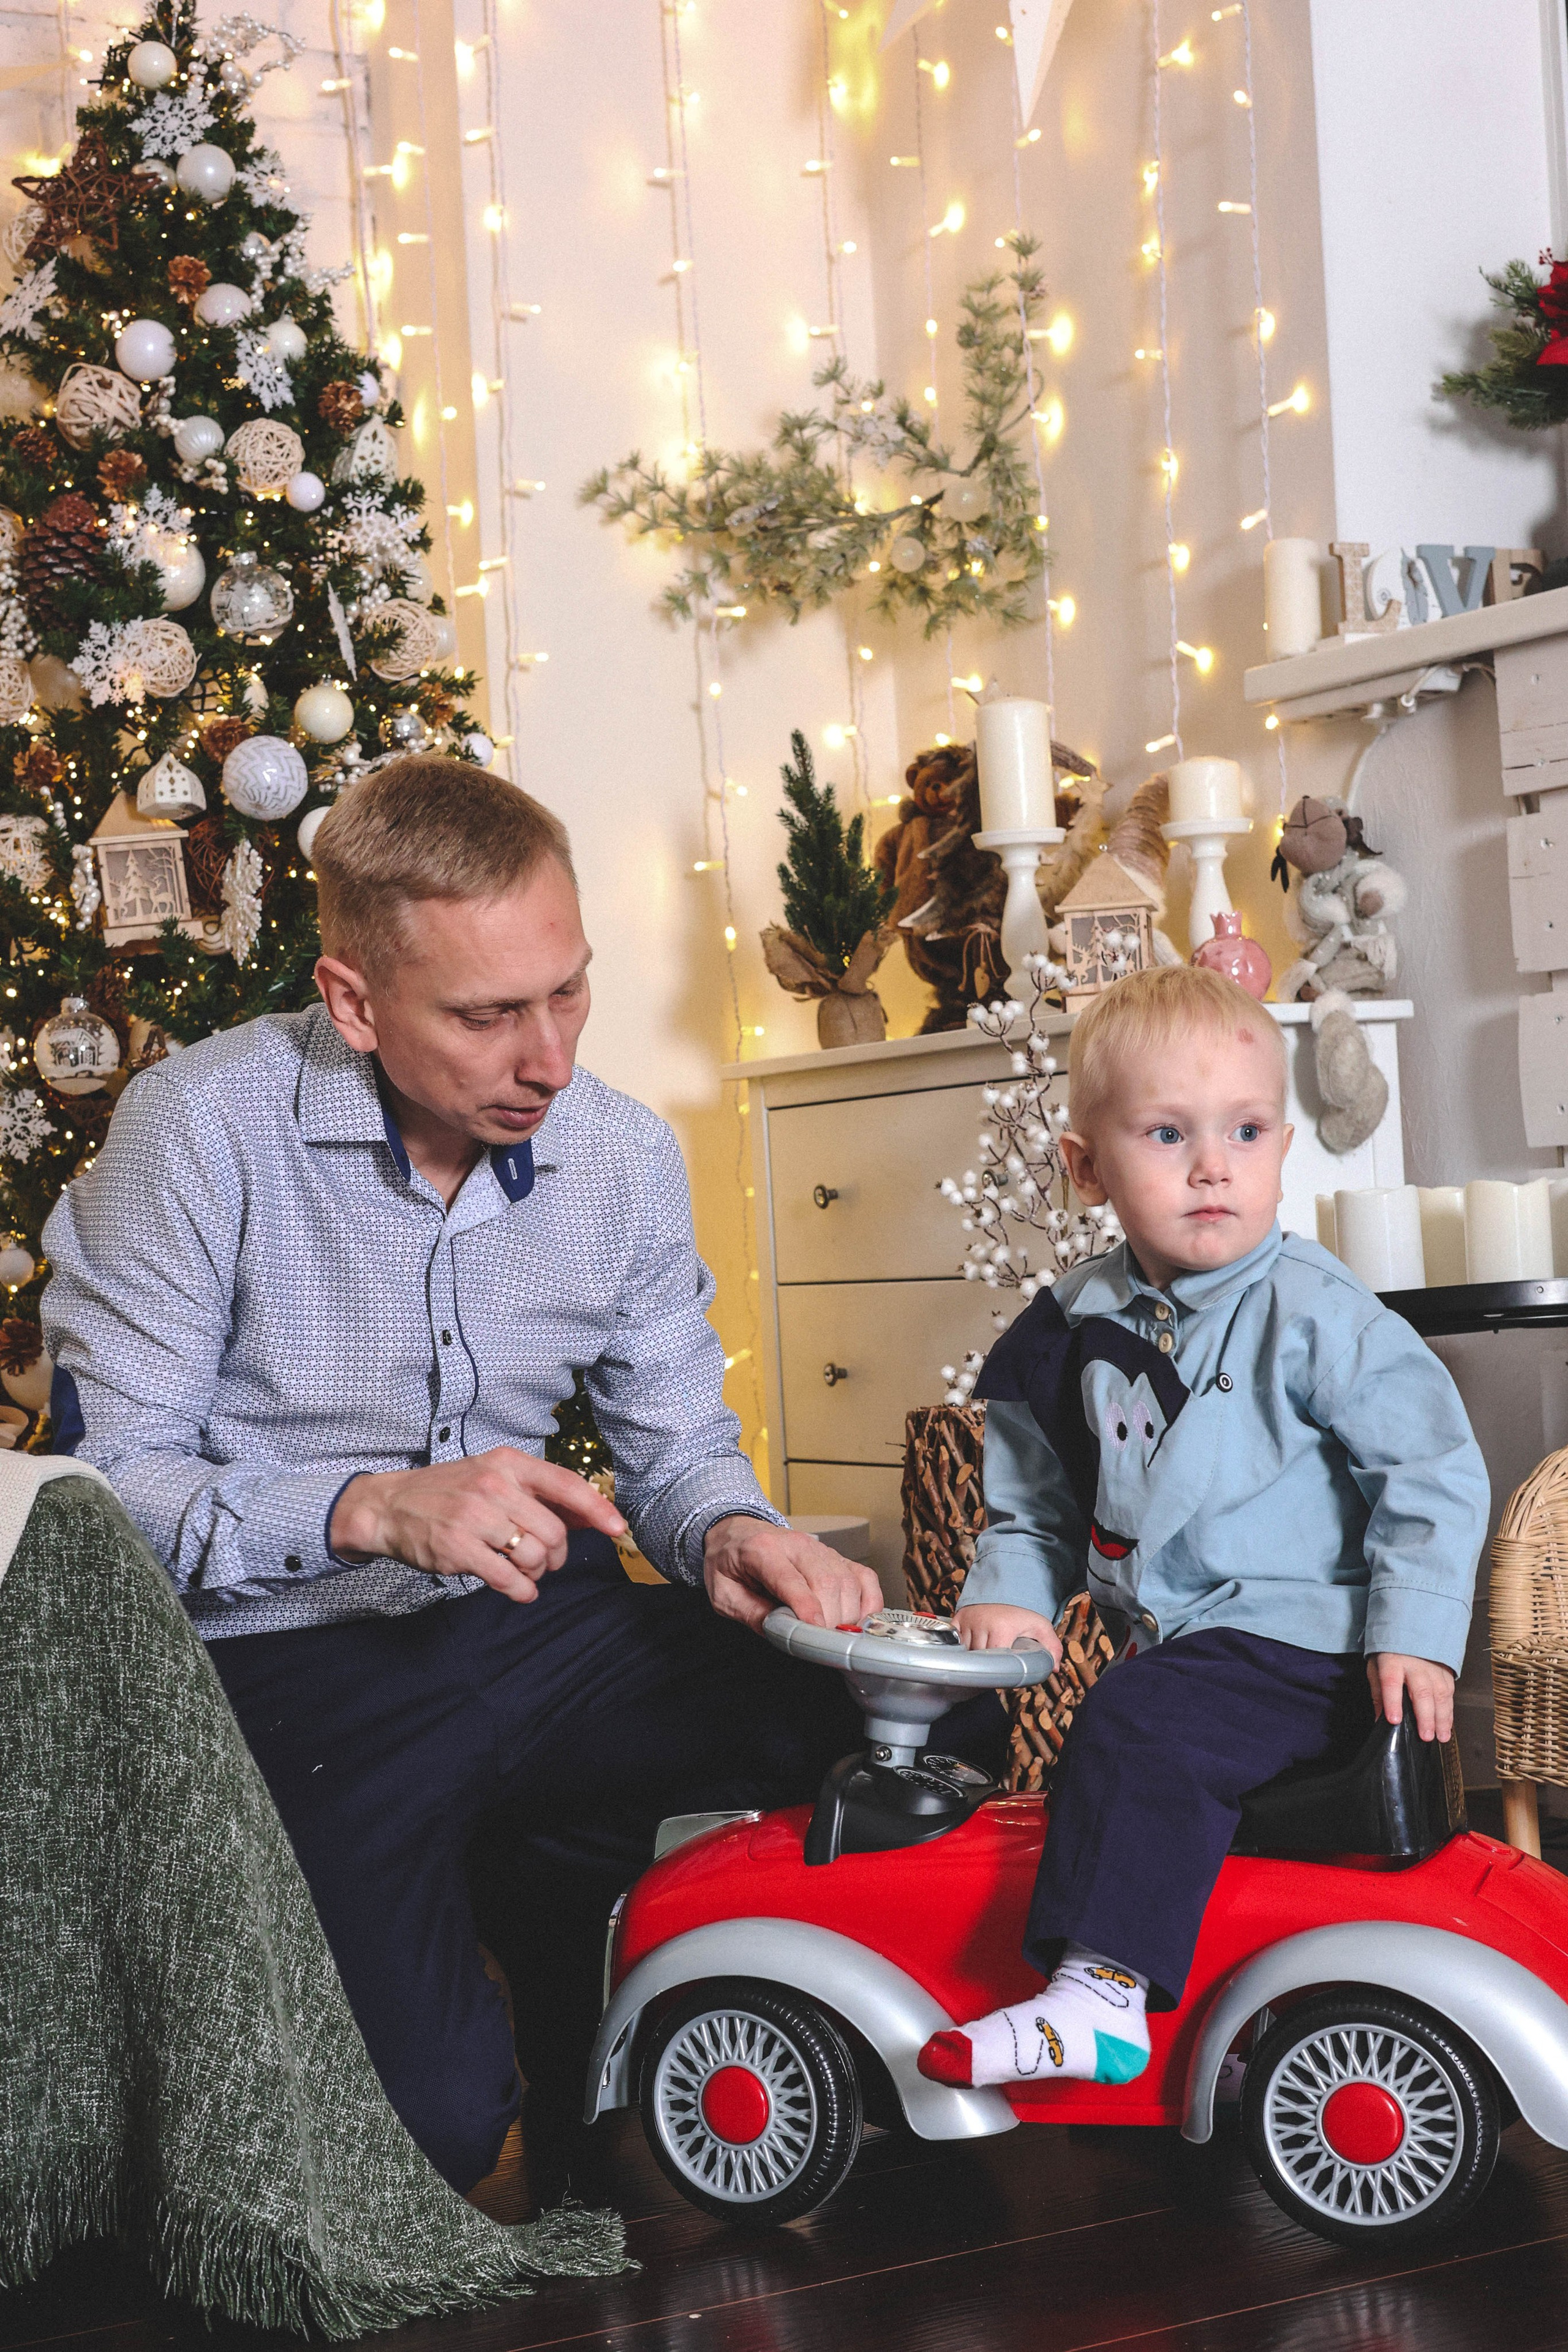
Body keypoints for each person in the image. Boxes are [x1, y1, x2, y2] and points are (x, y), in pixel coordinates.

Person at [40, 756, 998, 2201]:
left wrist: (731, 1532)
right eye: (487, 1016)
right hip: (285, 1675)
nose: (545, 1055)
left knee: (908, 1738)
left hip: (536, 1636)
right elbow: (100, 1500)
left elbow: (674, 1449)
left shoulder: (617, 1154)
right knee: (415, 2143)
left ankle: (600, 1924)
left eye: (568, 991)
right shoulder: (200, 1129)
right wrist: (361, 1509)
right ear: (354, 1001)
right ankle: (498, 1932)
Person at [917, 963, 1489, 2093]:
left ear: (1283, 1148)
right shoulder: (1070, 1328)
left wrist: (1415, 1627)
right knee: (1112, 1718)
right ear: (1086, 1168)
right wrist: (1012, 1588)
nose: (1214, 1165)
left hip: (1308, 1643)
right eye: (1168, 1134)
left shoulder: (1318, 1312)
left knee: (1135, 1725)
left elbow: (1429, 1466)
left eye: (1246, 1131)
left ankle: (1099, 1998)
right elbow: (1033, 1498)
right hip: (1189, 1650)